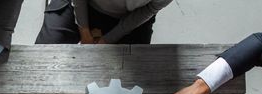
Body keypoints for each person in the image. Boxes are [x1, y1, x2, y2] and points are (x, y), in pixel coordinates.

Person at [35, 0, 172, 45]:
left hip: (131, 17)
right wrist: (84, 31)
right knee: (42, 58)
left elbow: (150, 8)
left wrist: (108, 39)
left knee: (135, 83)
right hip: (80, 4)